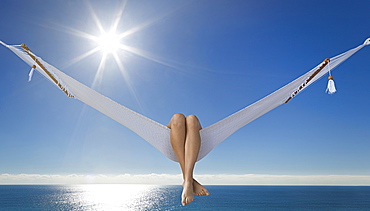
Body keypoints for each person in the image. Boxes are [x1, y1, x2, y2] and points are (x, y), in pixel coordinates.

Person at [167, 113, 210, 206]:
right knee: (177, 118)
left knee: (192, 119)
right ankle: (189, 180)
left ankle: (187, 180)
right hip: (175, 128)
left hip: (193, 131)